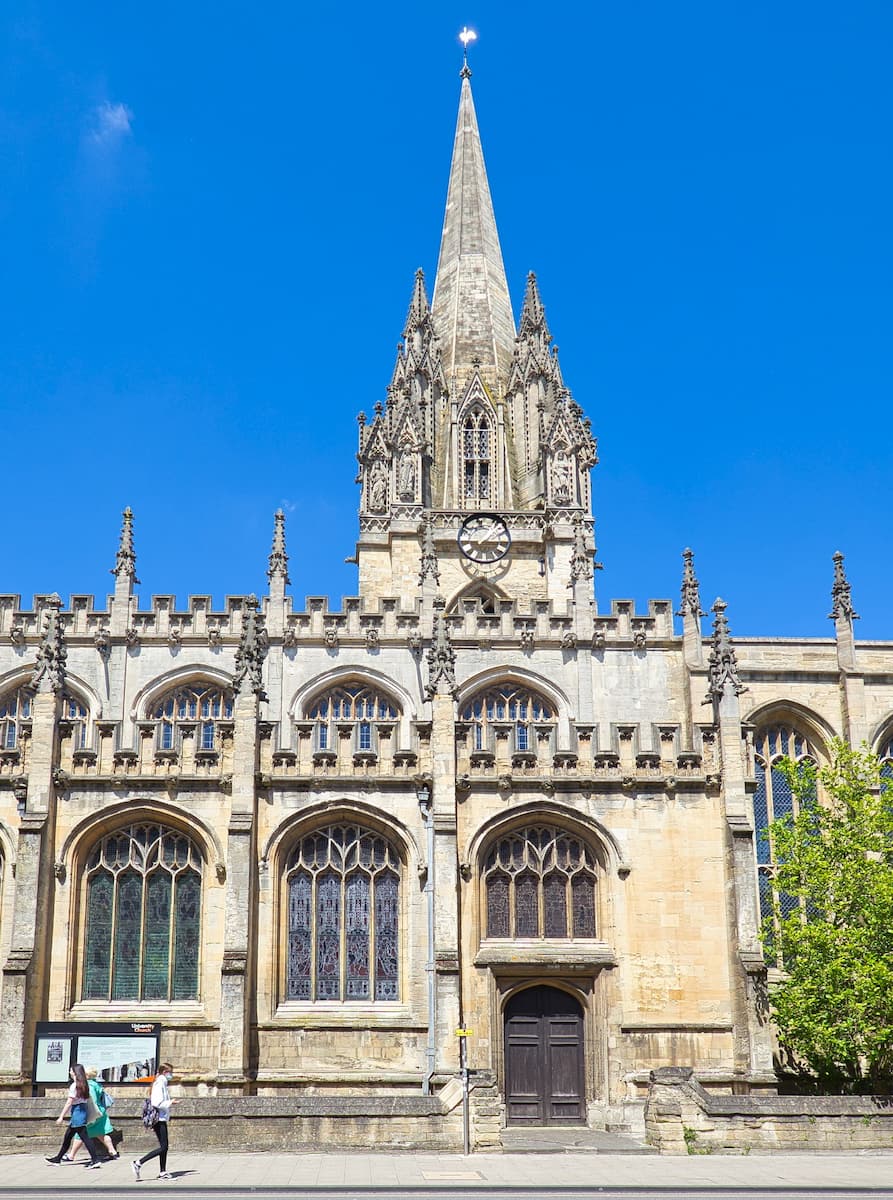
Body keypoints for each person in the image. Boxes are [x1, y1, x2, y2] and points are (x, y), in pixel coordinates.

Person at [45, 1063, 103, 1169]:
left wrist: (61, 1116)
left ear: (75, 1072)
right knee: (68, 1137)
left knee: (85, 1138)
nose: (70, 1072)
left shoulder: (74, 1086)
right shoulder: (85, 1084)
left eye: (71, 1070)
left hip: (77, 1112)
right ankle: (58, 1158)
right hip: (82, 1111)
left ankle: (95, 1160)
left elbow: (69, 1102)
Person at [132, 1062, 179, 1182]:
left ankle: (162, 1172)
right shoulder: (160, 1083)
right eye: (170, 1073)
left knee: (165, 1146)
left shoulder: (162, 1081)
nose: (171, 1075)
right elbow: (156, 1102)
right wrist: (170, 1102)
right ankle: (138, 1163)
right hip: (159, 1118)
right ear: (165, 1072)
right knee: (163, 1147)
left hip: (161, 1118)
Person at [69, 1066, 117, 1162]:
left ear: (86, 1075)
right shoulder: (96, 1084)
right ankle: (113, 1152)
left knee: (80, 1133)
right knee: (101, 1133)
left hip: (93, 1113)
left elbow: (92, 1101)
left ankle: (71, 1155)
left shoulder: (89, 1086)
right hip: (100, 1112)